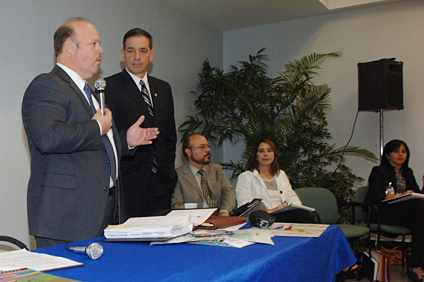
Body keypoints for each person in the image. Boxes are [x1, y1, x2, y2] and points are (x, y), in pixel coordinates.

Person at [21, 18, 159, 248]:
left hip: (105, 211)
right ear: (70, 47)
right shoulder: (47, 85)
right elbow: (48, 137)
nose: (101, 50)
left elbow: (93, 146)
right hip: (67, 218)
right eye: (94, 43)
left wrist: (124, 141)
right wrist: (97, 127)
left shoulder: (89, 92)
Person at [105, 28, 177, 217]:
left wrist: (168, 171)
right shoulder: (109, 87)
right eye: (131, 51)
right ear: (123, 54)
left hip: (162, 184)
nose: (137, 56)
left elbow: (170, 135)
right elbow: (107, 139)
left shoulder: (163, 88)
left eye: (143, 51)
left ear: (151, 54)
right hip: (128, 186)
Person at [364, 139, 424, 281]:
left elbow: (415, 193)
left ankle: (416, 266)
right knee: (420, 210)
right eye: (396, 151)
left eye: (403, 151)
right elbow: (376, 194)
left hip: (405, 213)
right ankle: (416, 266)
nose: (400, 155)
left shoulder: (407, 172)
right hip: (382, 212)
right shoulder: (378, 171)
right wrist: (399, 196)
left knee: (419, 224)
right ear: (387, 155)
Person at [236, 139, 316, 223]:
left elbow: (291, 196)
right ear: (256, 156)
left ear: (274, 155)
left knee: (306, 213)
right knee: (303, 216)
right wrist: (272, 210)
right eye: (261, 151)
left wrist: (296, 207)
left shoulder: (280, 174)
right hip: (264, 217)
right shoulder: (246, 177)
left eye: (269, 151)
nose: (265, 154)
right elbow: (245, 206)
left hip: (283, 214)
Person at [171, 134, 236, 216]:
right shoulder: (178, 175)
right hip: (195, 220)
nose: (208, 150)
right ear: (188, 152)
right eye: (202, 147)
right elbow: (177, 205)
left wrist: (224, 211)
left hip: (219, 217)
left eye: (208, 146)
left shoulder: (216, 170)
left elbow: (228, 192)